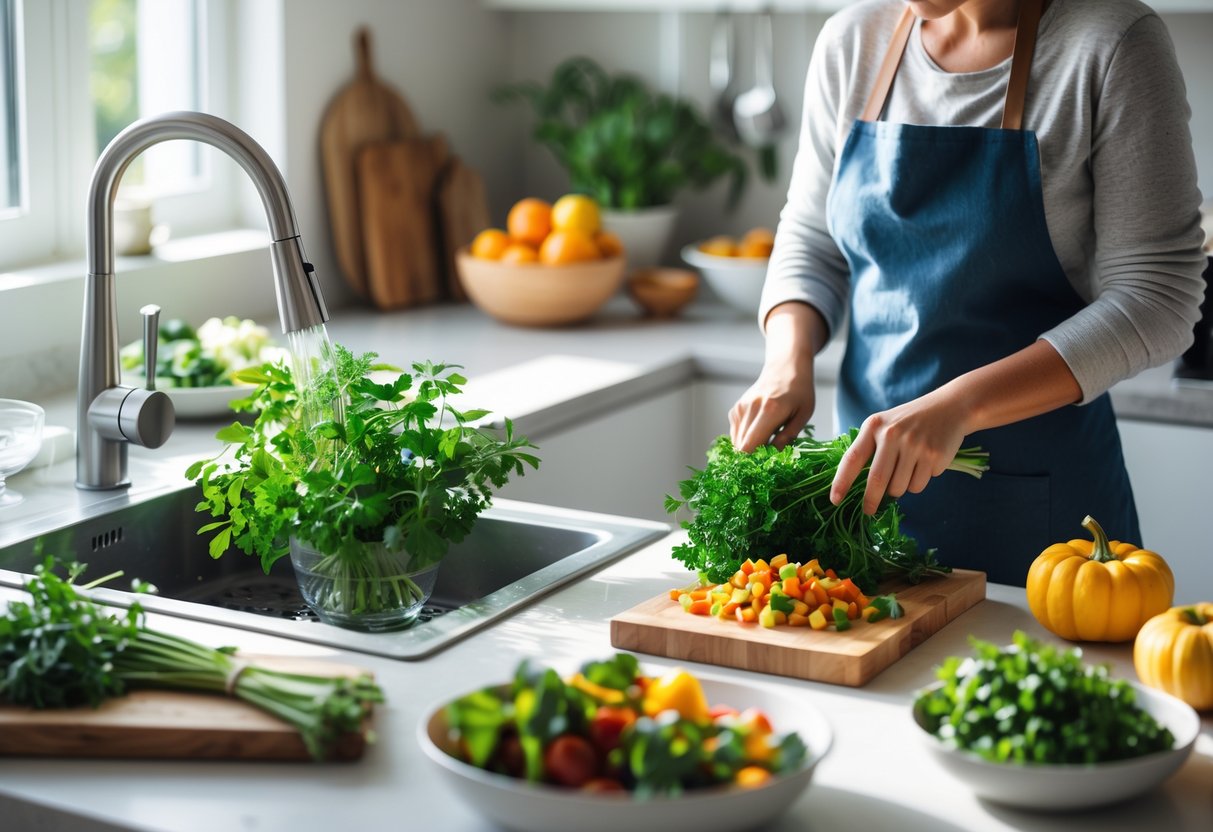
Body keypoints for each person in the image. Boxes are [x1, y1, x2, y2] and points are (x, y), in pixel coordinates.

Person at [728, 0, 1207, 586]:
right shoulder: (852, 40)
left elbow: (1157, 296)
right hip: (863, 502)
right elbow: (811, 237)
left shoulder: (1110, 45)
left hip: (1047, 533)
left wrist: (961, 405)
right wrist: (787, 361)